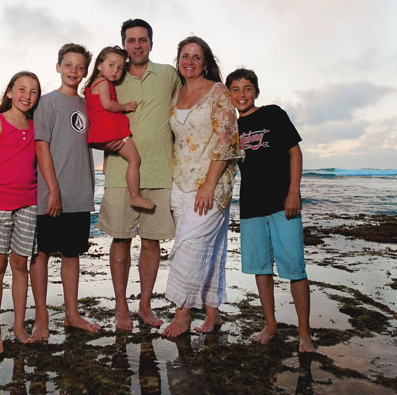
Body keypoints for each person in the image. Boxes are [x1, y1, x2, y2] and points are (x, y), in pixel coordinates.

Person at [98, 19, 181, 331]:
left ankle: (145, 305)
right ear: (123, 44)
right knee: (120, 240)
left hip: (161, 172)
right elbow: (93, 113)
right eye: (131, 40)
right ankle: (121, 307)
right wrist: (100, 143)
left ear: (151, 43)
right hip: (120, 172)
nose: (137, 45)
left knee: (151, 242)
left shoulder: (169, 75)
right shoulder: (111, 77)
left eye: (142, 40)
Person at [226, 68, 314, 352]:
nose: (241, 94)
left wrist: (293, 193)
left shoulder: (273, 113)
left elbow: (295, 152)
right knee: (260, 269)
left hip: (282, 204)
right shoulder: (231, 128)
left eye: (247, 88)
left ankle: (304, 333)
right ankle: (271, 324)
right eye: (235, 89)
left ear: (257, 92)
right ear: (229, 95)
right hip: (251, 207)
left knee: (294, 268)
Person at [161, 36, 242, 337]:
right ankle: (212, 313)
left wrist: (209, 185)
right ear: (178, 60)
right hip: (178, 182)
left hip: (210, 184)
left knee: (190, 249)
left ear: (206, 63)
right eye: (185, 56)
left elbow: (226, 139)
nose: (190, 62)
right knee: (211, 248)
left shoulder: (218, 92)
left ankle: (182, 313)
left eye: (196, 57)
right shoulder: (176, 93)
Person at [30, 43, 101, 339]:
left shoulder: (88, 104)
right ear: (58, 66)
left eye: (80, 66)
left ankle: (72, 315)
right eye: (68, 65)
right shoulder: (46, 103)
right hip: (50, 193)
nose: (74, 71)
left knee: (72, 255)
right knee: (42, 254)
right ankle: (42, 318)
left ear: (86, 72)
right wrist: (53, 190)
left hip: (80, 191)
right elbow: (41, 146)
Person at [0, 71, 41, 354]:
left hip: (28, 203)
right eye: (21, 89)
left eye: (33, 91)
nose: (27, 95)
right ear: (9, 92)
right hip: (0, 206)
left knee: (20, 265)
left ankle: (18, 325)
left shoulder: (35, 126)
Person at [84, 46, 155, 211]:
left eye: (120, 68)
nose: (116, 71)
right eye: (111, 65)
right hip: (111, 129)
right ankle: (135, 196)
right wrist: (125, 106)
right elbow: (107, 105)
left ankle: (106, 162)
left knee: (114, 150)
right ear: (99, 65)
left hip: (103, 131)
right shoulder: (102, 82)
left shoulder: (93, 84)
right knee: (134, 159)